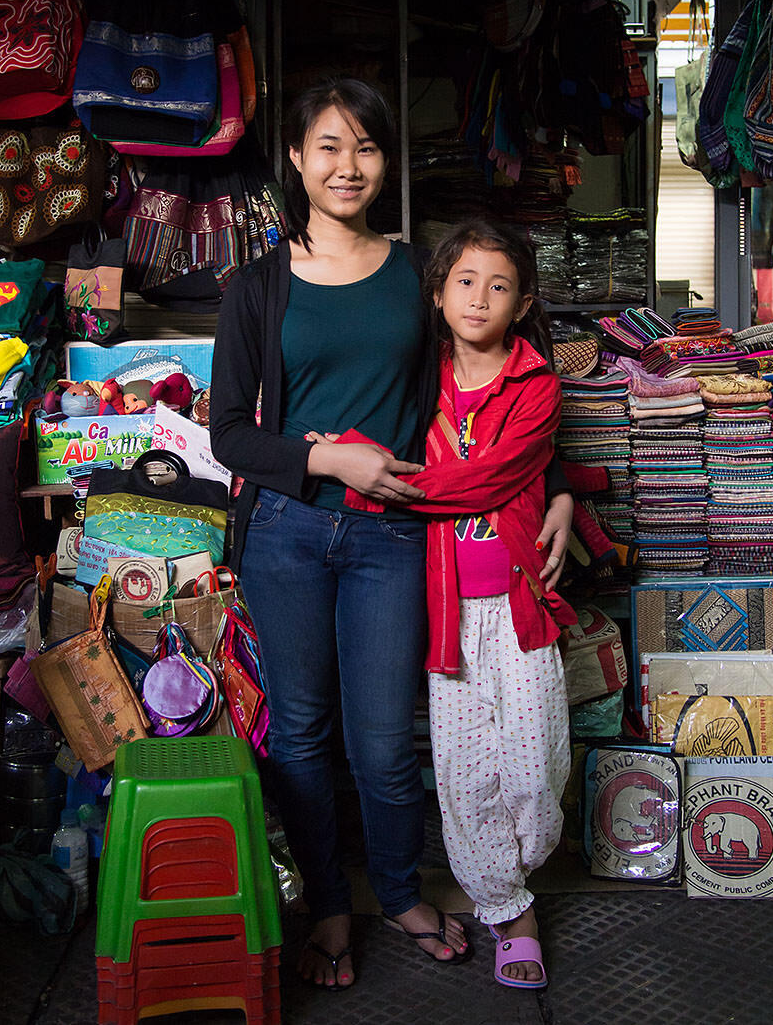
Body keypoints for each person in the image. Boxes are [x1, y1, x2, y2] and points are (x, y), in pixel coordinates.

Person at [209, 77, 573, 991]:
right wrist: (329, 462)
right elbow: (228, 434)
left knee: (381, 739)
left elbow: (490, 397)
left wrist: (559, 490)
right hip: (288, 532)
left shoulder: (419, 273)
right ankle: (329, 903)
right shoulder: (255, 286)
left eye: (365, 148)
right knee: (299, 732)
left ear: (384, 163)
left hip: (397, 538)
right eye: (328, 146)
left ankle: (402, 892)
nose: (347, 166)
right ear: (296, 159)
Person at [320, 220, 576, 990]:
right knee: (465, 775)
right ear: (436, 293)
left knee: (536, 768)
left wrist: (378, 478)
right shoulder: (414, 376)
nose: (480, 297)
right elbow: (365, 430)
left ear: (522, 300)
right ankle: (509, 912)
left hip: (521, 605)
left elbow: (494, 477)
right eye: (464, 281)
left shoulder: (537, 385)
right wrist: (335, 450)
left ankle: (516, 869)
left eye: (499, 286)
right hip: (447, 612)